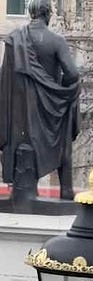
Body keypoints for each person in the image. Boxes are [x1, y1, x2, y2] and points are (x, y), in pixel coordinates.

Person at [0, 0, 80, 201]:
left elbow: (5, 78)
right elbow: (72, 74)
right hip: (49, 108)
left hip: (20, 113)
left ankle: (24, 189)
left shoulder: (14, 39)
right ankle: (66, 190)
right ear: (49, 14)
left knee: (25, 141)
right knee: (64, 138)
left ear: (31, 13)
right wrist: (60, 89)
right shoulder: (56, 41)